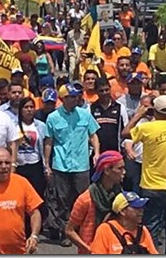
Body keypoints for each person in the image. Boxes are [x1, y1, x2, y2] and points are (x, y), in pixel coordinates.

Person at [122, 94, 166, 252]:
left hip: (151, 185)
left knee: (150, 228)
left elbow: (125, 133)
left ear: (155, 111)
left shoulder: (146, 128)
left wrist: (139, 114)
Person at [44, 83, 100, 246]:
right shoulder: (53, 117)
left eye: (76, 96)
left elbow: (94, 135)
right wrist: (47, 164)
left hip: (81, 165)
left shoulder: (85, 115)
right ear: (62, 99)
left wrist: (96, 153)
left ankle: (84, 231)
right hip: (60, 165)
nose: (74, 99)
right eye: (70, 97)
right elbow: (49, 142)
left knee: (83, 199)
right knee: (63, 200)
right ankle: (65, 233)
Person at [66, 151, 126, 254]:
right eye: (120, 168)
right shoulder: (86, 199)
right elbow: (69, 231)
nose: (124, 172)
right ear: (107, 170)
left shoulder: (120, 196)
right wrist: (88, 249)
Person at [89, 191, 159, 254]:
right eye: (136, 207)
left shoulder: (142, 230)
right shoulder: (105, 229)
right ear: (122, 211)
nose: (141, 210)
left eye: (141, 207)